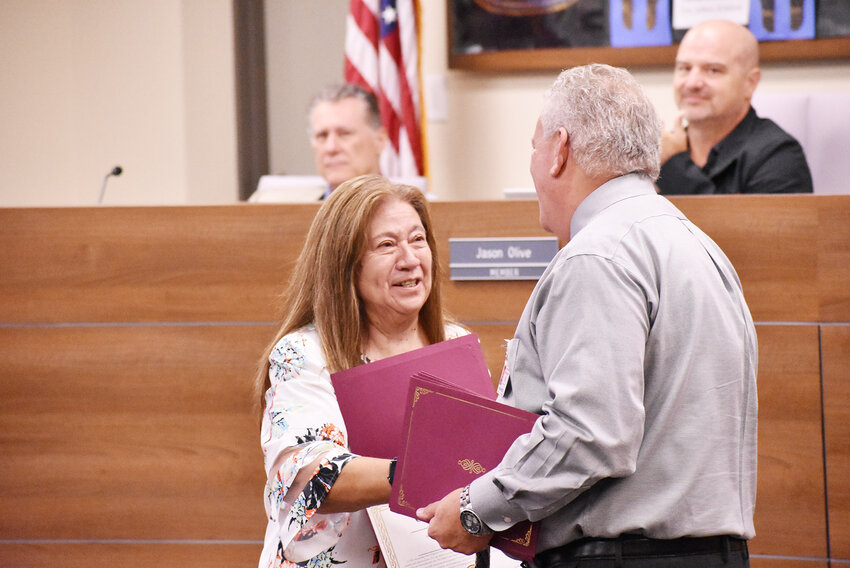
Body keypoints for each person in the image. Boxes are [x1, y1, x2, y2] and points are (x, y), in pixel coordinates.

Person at [418, 64, 758, 568]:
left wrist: (476, 510)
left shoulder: (596, 256)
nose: (532, 167)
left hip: (621, 557)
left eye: (533, 148)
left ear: (559, 150)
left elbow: (591, 433)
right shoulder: (700, 246)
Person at [255, 174, 467, 567]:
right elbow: (311, 475)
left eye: (417, 239)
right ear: (346, 266)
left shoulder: (455, 344)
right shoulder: (304, 353)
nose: (409, 258)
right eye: (387, 245)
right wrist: (428, 473)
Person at [656, 19, 813, 194]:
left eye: (713, 70)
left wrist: (673, 164)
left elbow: (724, 221)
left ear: (750, 83)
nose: (692, 83)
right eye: (684, 68)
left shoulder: (779, 155)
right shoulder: (662, 151)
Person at [309, 84, 388, 198]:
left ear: (380, 140)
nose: (331, 148)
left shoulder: (409, 213)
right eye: (322, 136)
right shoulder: (296, 215)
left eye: (344, 134)